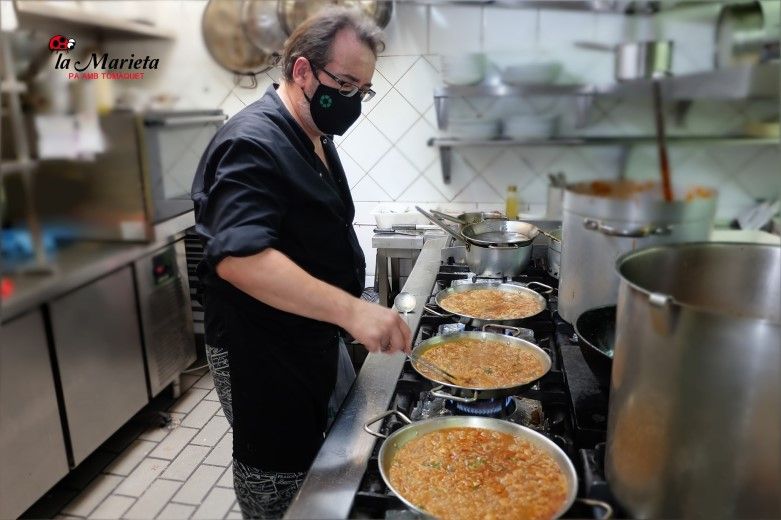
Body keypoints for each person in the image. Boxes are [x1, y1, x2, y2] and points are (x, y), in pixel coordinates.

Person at [191, 7, 411, 519]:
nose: (353, 99)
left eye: (364, 89)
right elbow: (239, 258)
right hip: (262, 349)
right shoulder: (252, 142)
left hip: (310, 334)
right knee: (279, 474)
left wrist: (346, 309)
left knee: (323, 451)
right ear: (302, 71)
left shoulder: (313, 134)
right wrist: (353, 312)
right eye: (346, 84)